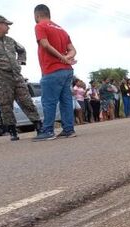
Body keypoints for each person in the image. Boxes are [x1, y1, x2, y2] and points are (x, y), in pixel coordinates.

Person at [31, 5, 76, 141]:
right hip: (67, 71)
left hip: (52, 69)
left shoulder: (40, 26)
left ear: (37, 15)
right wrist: (66, 58)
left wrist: (61, 58)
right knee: (66, 101)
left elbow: (44, 44)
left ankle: (48, 131)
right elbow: (73, 50)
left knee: (49, 101)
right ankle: (69, 129)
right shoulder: (61, 29)